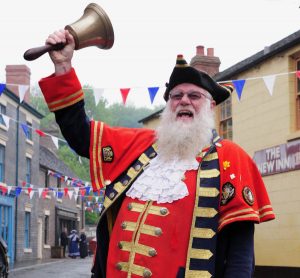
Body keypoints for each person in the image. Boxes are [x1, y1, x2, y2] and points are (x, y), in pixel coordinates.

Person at [39, 29, 275, 278]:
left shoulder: (231, 157)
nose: (184, 101)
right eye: (176, 96)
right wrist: (64, 66)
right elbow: (80, 135)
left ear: (211, 106)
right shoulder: (141, 145)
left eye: (194, 96)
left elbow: (240, 256)